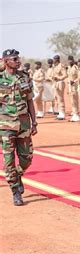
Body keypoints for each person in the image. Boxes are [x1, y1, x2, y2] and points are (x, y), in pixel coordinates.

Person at [0, 49, 38, 206]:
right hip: (5, 125)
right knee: (8, 161)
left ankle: (18, 174)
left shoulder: (25, 77)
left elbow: (30, 100)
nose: (18, 60)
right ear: (6, 61)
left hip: (23, 124)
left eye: (18, 58)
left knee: (27, 158)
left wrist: (34, 122)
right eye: (14, 58)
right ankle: (15, 190)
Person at [52, 55, 67, 120]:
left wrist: (58, 78)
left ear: (57, 59)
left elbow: (65, 75)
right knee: (57, 98)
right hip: (56, 83)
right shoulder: (55, 67)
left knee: (60, 99)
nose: (53, 60)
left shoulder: (61, 66)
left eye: (54, 59)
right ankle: (60, 113)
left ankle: (62, 113)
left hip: (60, 82)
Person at [67, 56, 80, 122]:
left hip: (75, 86)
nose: (69, 62)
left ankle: (76, 114)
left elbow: (79, 76)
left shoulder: (75, 67)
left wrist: (74, 81)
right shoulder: (69, 68)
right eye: (68, 60)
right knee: (72, 101)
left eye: (71, 60)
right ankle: (74, 113)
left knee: (75, 100)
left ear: (73, 60)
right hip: (70, 86)